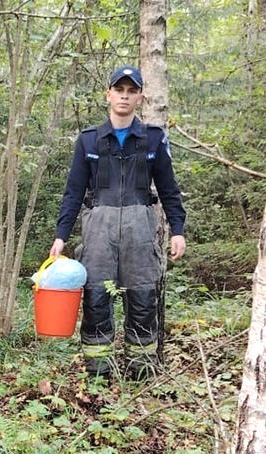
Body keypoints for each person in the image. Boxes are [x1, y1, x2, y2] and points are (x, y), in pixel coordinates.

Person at [49, 65, 186, 379]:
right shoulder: (89, 140)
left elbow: (168, 189)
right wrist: (61, 235)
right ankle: (99, 374)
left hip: (140, 225)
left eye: (131, 91)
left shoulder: (152, 139)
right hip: (99, 227)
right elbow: (73, 191)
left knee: (142, 297)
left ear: (139, 97)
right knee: (97, 297)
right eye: (119, 90)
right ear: (108, 94)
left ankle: (141, 371)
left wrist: (177, 230)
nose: (124, 97)